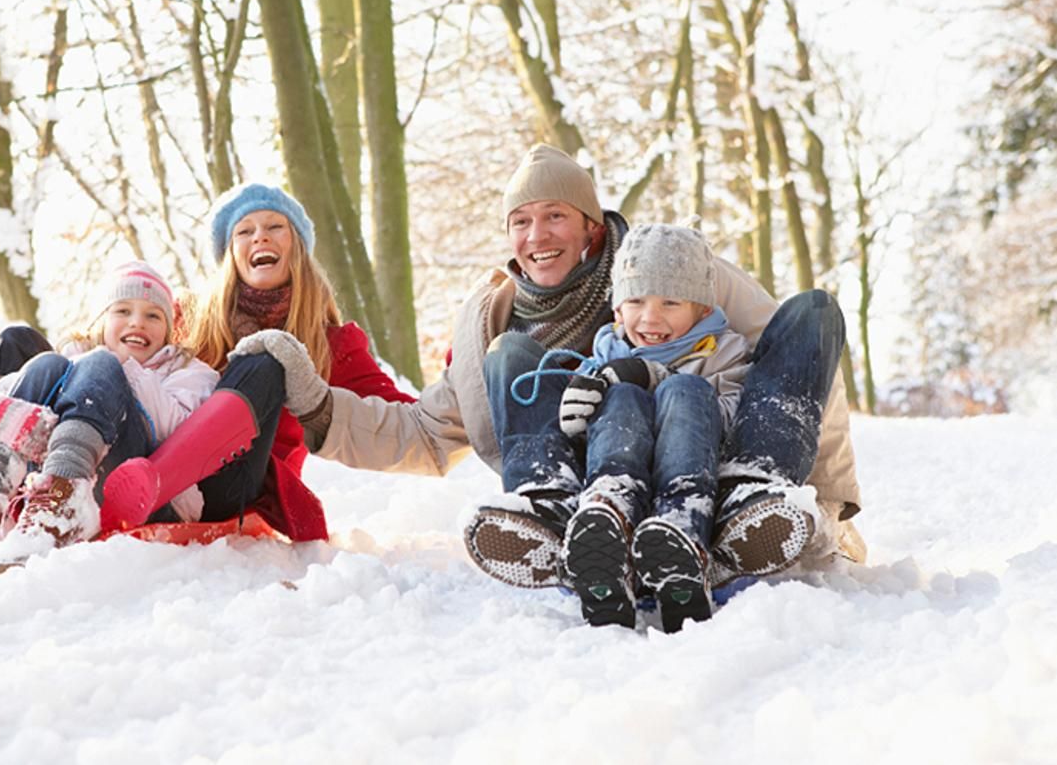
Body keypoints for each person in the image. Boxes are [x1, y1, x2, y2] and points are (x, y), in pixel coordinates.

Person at [249, 144, 864, 591]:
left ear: (591, 228)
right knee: (510, 359)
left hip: (706, 455)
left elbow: (797, 369)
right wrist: (314, 402)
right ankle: (555, 513)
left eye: (555, 216)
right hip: (590, 484)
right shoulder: (488, 319)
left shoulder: (670, 270)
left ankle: (749, 500)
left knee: (811, 313)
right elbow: (424, 435)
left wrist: (832, 502)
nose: (537, 234)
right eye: (521, 221)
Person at [96, 183, 415, 541]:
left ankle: (152, 484)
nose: (260, 237)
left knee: (267, 355)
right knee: (24, 343)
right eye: (244, 231)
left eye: (275, 227)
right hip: (144, 462)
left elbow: (403, 421)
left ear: (296, 245)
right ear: (231, 253)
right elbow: (123, 354)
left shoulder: (331, 344)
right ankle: (46, 490)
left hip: (233, 487)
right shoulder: (188, 316)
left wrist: (464, 378)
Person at [512, 224, 750, 630]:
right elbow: (586, 437)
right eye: (636, 300)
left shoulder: (723, 352)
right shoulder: (605, 356)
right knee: (620, 397)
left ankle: (680, 538)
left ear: (703, 310)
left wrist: (653, 375)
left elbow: (731, 420)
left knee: (686, 390)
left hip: (689, 483)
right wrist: (579, 415)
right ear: (618, 310)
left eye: (671, 302)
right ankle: (607, 525)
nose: (651, 317)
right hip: (622, 478)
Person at [0, 261, 219, 587]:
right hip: (46, 476)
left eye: (153, 315)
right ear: (101, 320)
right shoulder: (70, 358)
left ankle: (64, 500)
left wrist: (117, 366)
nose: (137, 322)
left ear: (169, 329)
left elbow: (179, 429)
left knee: (99, 364)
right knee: (45, 365)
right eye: (123, 311)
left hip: (143, 481)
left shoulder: (186, 369)